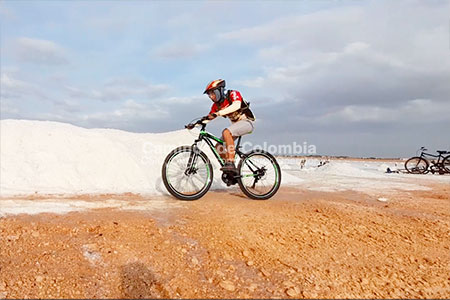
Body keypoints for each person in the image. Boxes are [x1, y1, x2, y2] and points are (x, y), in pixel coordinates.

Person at [203, 79, 255, 174]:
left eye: (212, 93)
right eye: (209, 95)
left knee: (226, 132)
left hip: (247, 122)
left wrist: (218, 113)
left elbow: (236, 105)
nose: (211, 96)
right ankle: (231, 170)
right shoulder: (216, 105)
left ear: (219, 90)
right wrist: (195, 124)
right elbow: (209, 117)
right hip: (236, 126)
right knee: (218, 147)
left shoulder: (233, 94)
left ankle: (231, 162)